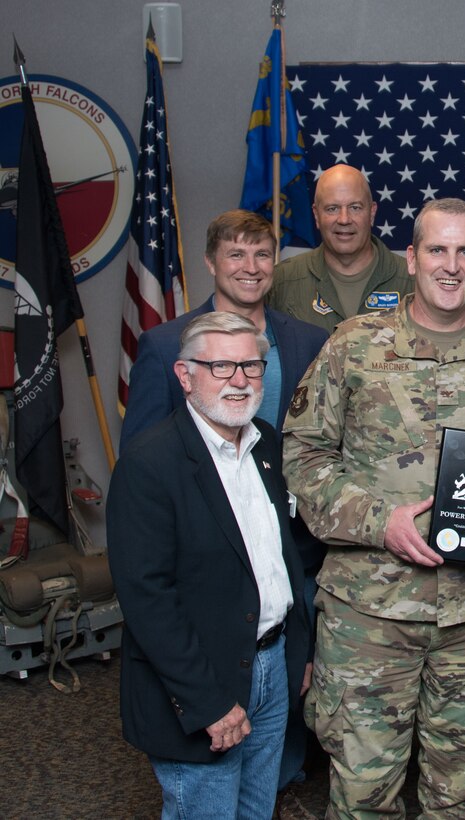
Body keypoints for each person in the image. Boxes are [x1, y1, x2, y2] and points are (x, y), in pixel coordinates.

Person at [282, 198, 465, 818]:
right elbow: (304, 454)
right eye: (437, 250)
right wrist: (379, 522)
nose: (451, 266)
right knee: (364, 794)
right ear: (411, 257)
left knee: (464, 796)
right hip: (371, 619)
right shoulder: (353, 347)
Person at [118, 209, 328, 807]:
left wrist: (294, 657)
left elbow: (284, 559)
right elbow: (147, 592)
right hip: (204, 664)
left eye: (251, 367)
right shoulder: (151, 462)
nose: (238, 379)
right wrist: (207, 700)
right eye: (220, 368)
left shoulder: (266, 451)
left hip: (268, 658)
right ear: (184, 376)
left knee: (258, 803)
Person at [121, 209, 329, 447]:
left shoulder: (309, 341)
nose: (251, 268)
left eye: (262, 254)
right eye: (236, 255)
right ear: (210, 262)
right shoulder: (164, 346)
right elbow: (138, 452)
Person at [268, 163, 414, 333]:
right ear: (316, 215)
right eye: (332, 208)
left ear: (372, 213)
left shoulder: (413, 281)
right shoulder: (282, 281)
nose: (344, 219)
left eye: (355, 207)